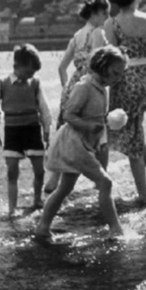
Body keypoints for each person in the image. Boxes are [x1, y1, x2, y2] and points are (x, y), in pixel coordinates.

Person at [35, 46, 128, 241]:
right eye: (115, 72)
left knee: (64, 188)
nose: (118, 77)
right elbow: (68, 114)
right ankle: (115, 229)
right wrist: (88, 126)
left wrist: (102, 133)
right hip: (75, 143)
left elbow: (97, 118)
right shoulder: (84, 86)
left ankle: (43, 227)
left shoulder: (102, 89)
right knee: (105, 182)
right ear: (102, 67)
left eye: (121, 74)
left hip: (83, 144)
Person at [103, 0, 146, 206]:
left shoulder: (112, 23)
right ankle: (144, 187)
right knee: (137, 129)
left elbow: (114, 59)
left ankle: (139, 196)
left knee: (121, 135)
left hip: (125, 82)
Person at [44, 0, 110, 194]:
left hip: (74, 84)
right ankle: (101, 179)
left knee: (68, 132)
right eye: (105, 13)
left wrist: (67, 89)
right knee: (100, 134)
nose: (107, 17)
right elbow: (102, 62)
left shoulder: (77, 35)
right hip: (91, 85)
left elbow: (61, 67)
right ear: (96, 13)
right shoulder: (98, 32)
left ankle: (54, 179)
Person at [0, 44, 52, 217]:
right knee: (12, 171)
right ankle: (12, 208)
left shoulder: (36, 84)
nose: (31, 76)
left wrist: (46, 130)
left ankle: (37, 200)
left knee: (39, 170)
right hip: (12, 132)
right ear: (16, 66)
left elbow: (44, 108)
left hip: (32, 129)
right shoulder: (2, 83)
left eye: (33, 73)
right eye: (28, 72)